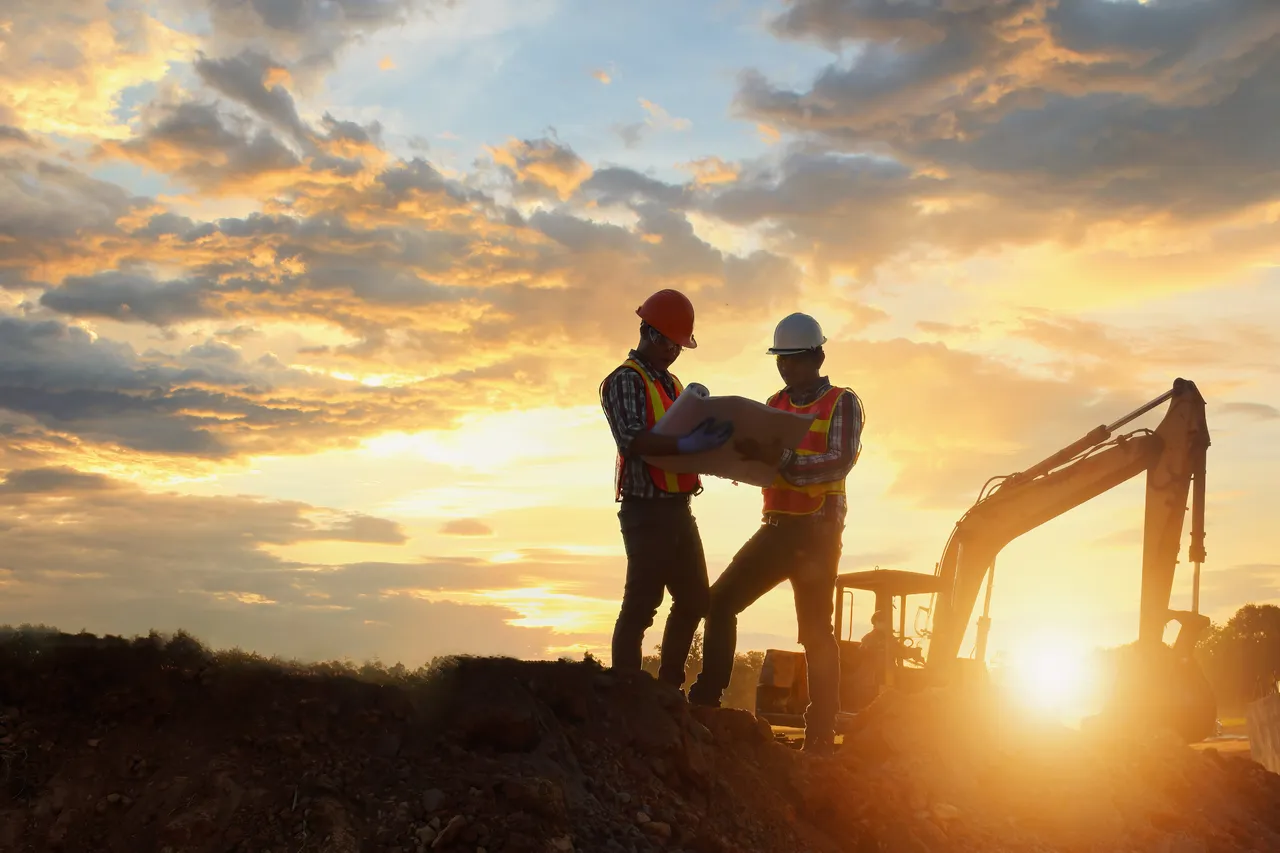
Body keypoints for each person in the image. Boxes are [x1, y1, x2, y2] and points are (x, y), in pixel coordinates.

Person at [688, 312, 864, 754]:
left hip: (818, 532)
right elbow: (766, 467)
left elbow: (838, 461)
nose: (787, 369)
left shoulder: (842, 402)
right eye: (781, 361)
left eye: (795, 360)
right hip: (777, 526)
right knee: (720, 602)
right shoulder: (774, 404)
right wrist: (738, 460)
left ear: (818, 356)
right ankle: (707, 705)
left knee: (815, 632)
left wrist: (781, 459)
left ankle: (820, 733)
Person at [599, 288, 734, 691]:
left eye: (680, 346)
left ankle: (667, 689)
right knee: (641, 606)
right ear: (651, 334)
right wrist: (687, 445)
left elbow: (682, 438)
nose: (675, 352)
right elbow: (634, 440)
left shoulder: (673, 384)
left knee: (695, 600)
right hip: (645, 511)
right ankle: (627, 694)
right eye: (671, 343)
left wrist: (714, 452)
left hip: (677, 509)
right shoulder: (624, 381)